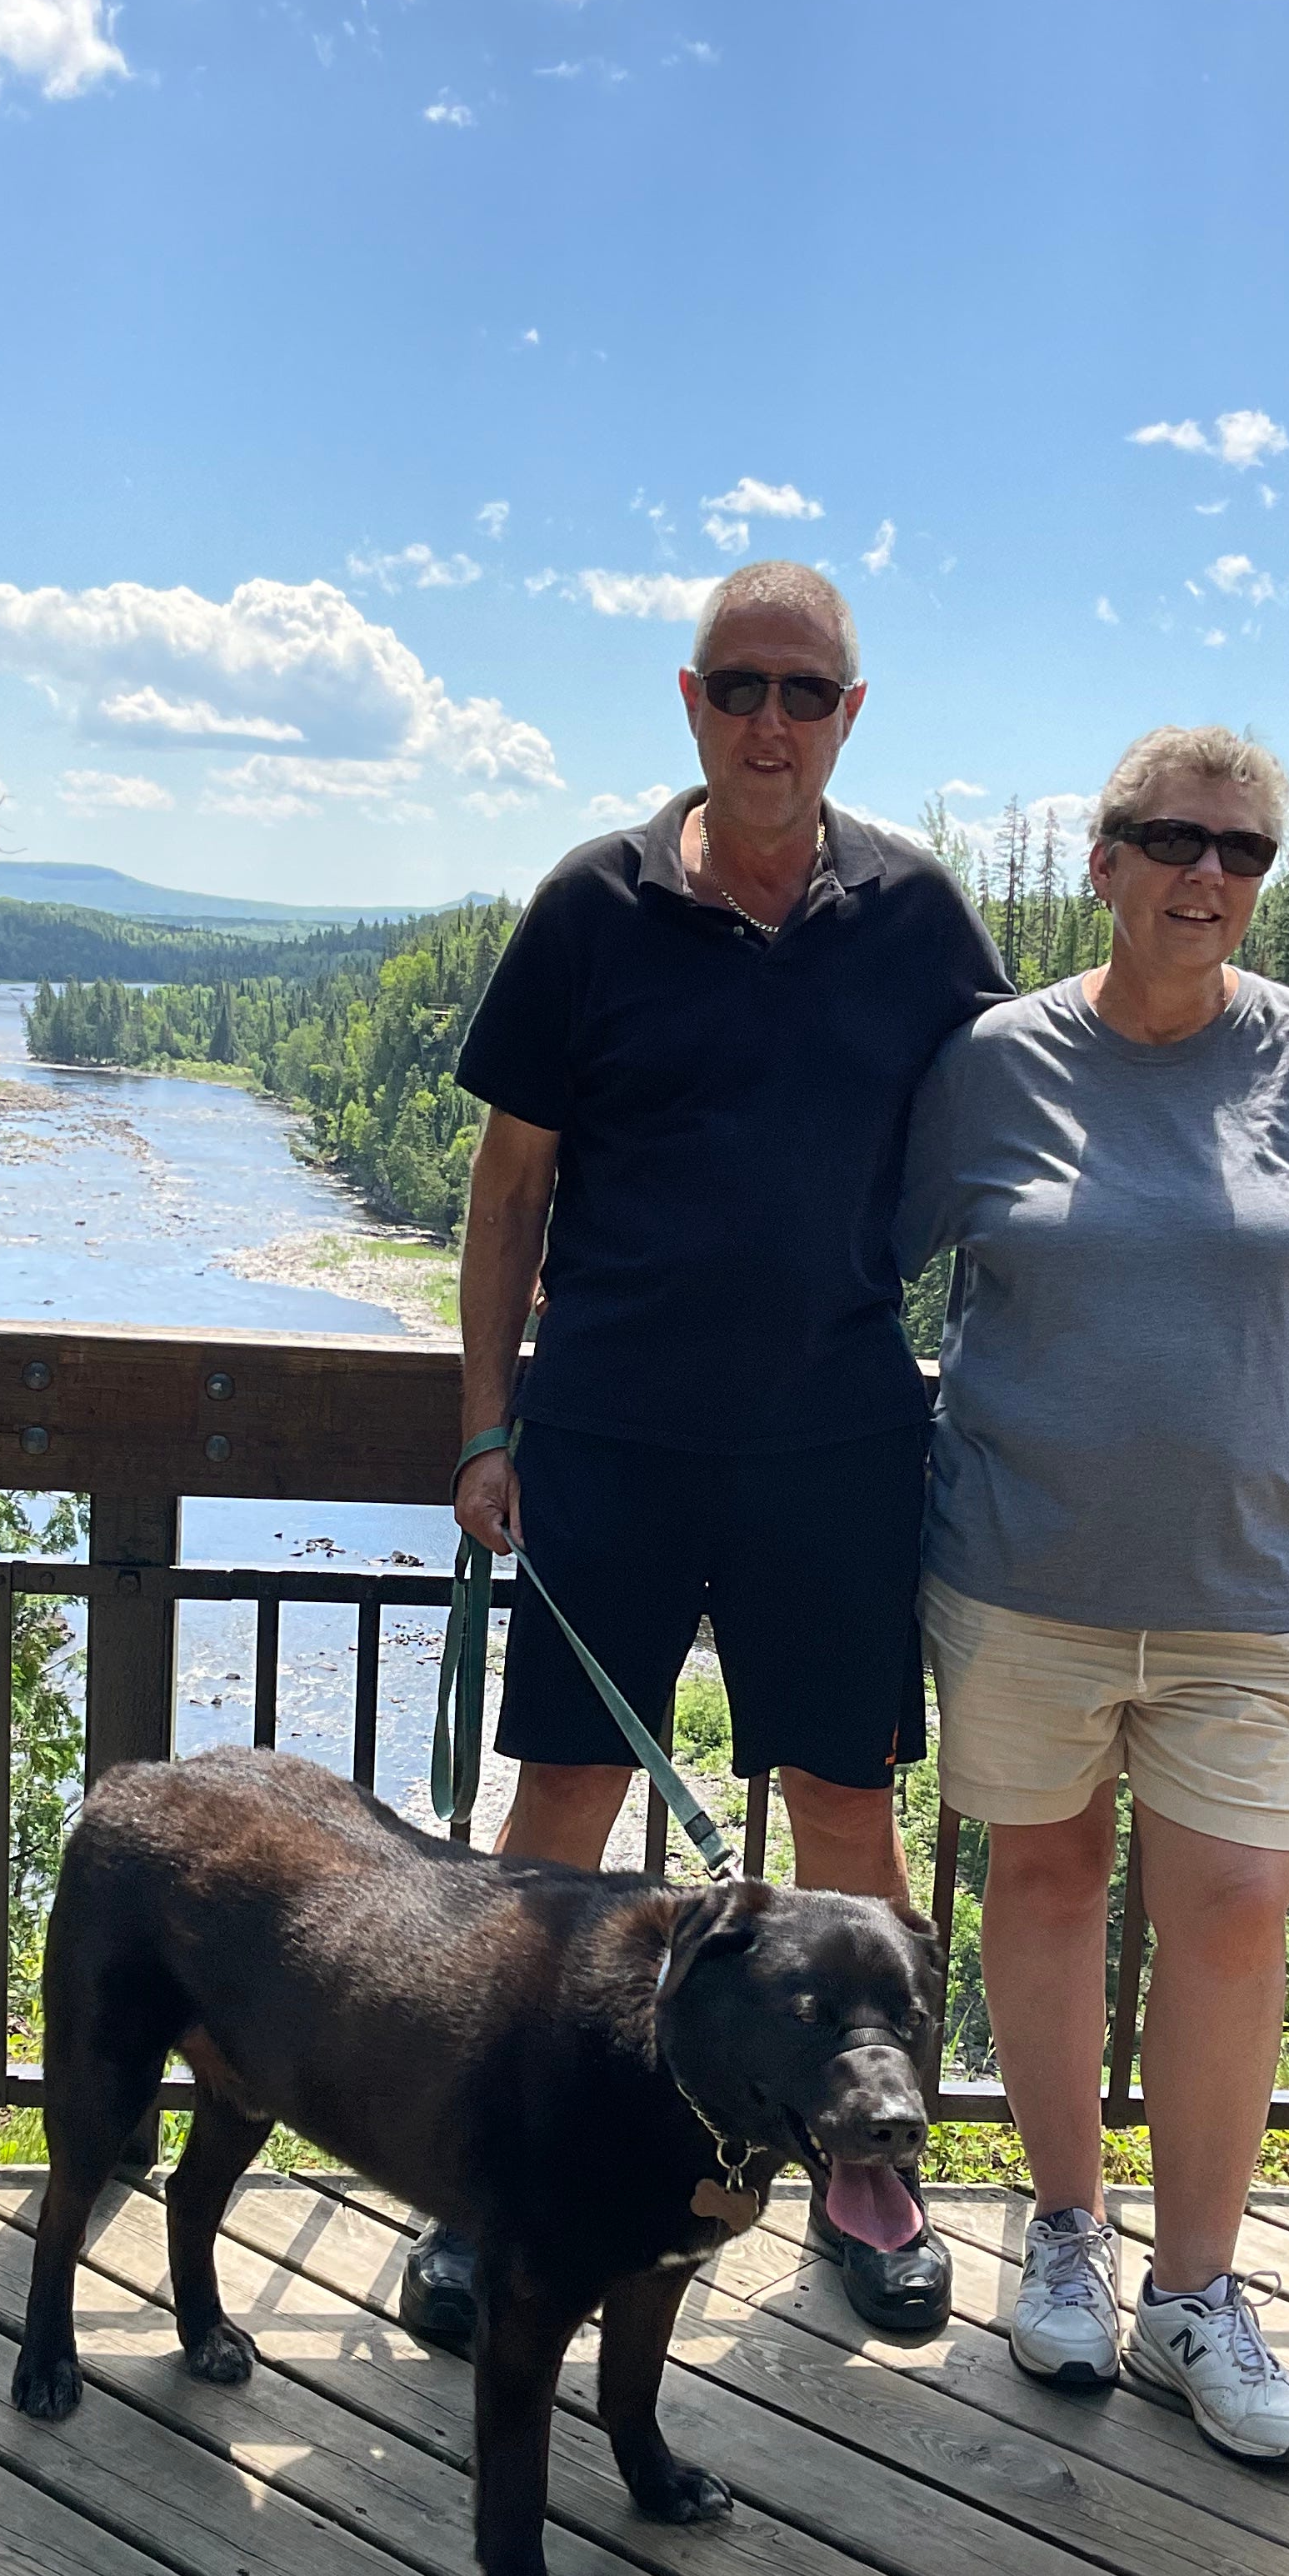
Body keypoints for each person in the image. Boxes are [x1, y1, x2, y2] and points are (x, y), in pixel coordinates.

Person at [405, 557, 1010, 2346]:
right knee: (567, 1816)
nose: (770, 722)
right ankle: (501, 2173)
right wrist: (488, 1426)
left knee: (844, 1811)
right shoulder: (587, 908)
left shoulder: (916, 916)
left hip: (836, 1445)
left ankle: (871, 2190)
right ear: (689, 702)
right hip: (607, 1431)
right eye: (739, 688)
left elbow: (1007, 1156)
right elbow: (508, 1186)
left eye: (803, 694)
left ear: (850, 716)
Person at [896, 724, 1289, 2462]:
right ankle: (1066, 2233)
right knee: (1044, 1890)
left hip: (1252, 1591)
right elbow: (858, 1274)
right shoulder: (991, 1065)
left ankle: (1198, 2293)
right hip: (1019, 1575)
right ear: (1103, 861)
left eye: (1243, 850)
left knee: (1229, 1921)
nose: (1208, 874)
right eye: (1171, 839)